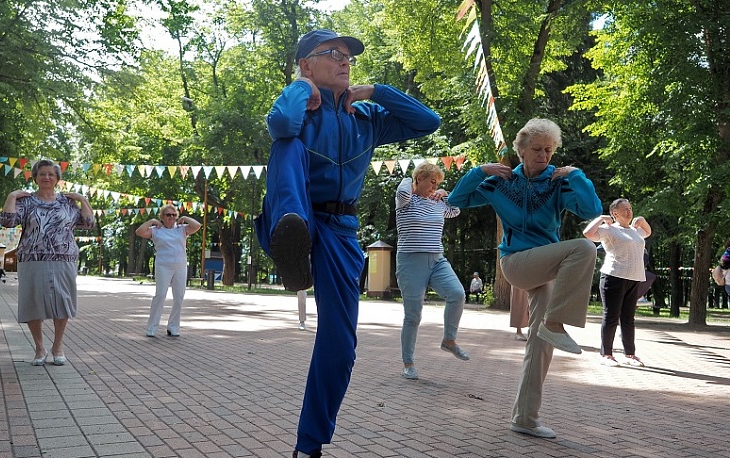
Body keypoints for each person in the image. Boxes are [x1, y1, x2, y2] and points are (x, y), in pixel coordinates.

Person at [254, 29, 441, 458]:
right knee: (288, 144)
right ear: (306, 64)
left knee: (340, 346)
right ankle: (292, 235)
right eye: (332, 54)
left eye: (349, 57)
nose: (345, 61)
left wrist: (375, 91)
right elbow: (281, 124)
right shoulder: (299, 103)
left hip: (339, 229)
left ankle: (309, 445)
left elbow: (428, 122)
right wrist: (301, 90)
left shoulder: (367, 116)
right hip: (295, 212)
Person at [448, 118, 602, 439]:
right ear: (520, 151)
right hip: (516, 262)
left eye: (549, 149)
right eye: (536, 149)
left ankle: (525, 417)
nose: (544, 155)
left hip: (545, 268)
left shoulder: (558, 182)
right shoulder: (500, 183)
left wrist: (577, 175)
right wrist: (480, 171)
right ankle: (557, 323)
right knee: (584, 249)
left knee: (540, 343)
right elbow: (456, 200)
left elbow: (591, 211)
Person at [0, 159, 94, 366]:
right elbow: (7, 221)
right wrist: (12, 196)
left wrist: (83, 200)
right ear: (35, 178)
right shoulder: (26, 202)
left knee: (63, 301)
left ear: (58, 179)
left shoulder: (67, 203)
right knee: (33, 302)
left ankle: (57, 346)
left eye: (51, 174)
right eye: (42, 174)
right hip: (32, 258)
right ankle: (39, 347)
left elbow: (88, 224)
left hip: (64, 258)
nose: (47, 177)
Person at [395, 164, 468, 381]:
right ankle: (408, 363)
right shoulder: (405, 201)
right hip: (410, 262)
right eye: (432, 182)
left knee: (457, 294)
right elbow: (402, 190)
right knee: (413, 315)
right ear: (419, 179)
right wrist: (413, 178)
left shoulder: (437, 204)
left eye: (438, 183)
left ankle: (449, 340)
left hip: (437, 260)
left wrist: (444, 194)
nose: (434, 187)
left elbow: (455, 210)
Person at [583, 199, 652, 367]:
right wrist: (601, 219)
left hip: (634, 278)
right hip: (613, 277)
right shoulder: (609, 229)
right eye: (624, 210)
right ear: (615, 213)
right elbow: (588, 234)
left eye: (630, 208)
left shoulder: (636, 231)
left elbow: (647, 232)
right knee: (612, 316)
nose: (629, 212)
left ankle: (630, 354)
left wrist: (642, 220)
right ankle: (606, 354)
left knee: (628, 318)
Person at [135, 204, 201, 337]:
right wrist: (152, 221)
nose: (171, 217)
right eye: (168, 215)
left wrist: (184, 217)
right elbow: (139, 232)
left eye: (174, 215)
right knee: (160, 295)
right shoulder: (156, 230)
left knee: (179, 297)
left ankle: (173, 327)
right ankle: (152, 328)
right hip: (163, 266)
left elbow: (197, 225)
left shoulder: (182, 229)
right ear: (162, 217)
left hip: (180, 266)